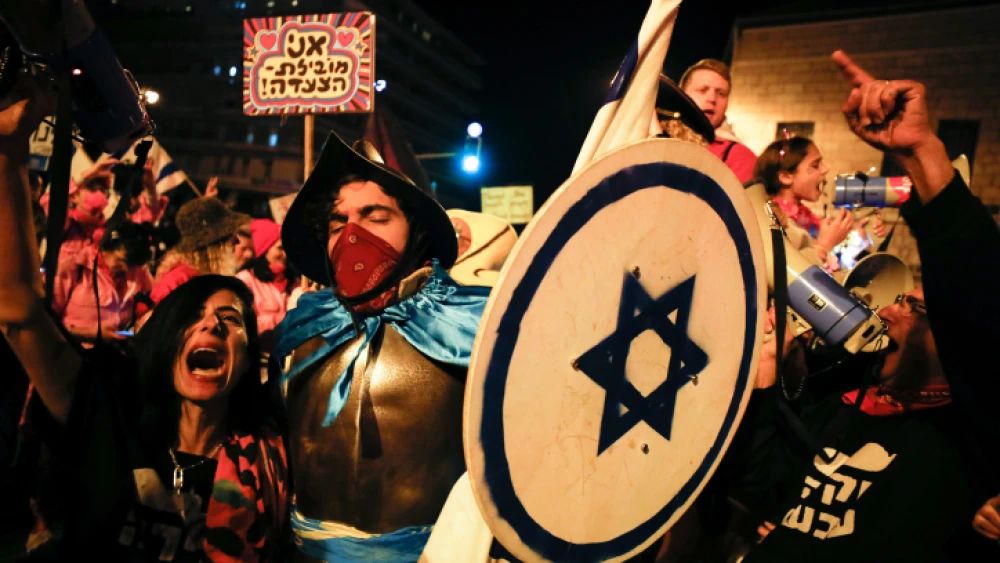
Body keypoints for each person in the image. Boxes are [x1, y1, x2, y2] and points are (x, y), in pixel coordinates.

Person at [727, 51, 1000, 563]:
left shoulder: (962, 440)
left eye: (913, 309)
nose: (888, 312)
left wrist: (922, 151)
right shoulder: (846, 404)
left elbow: (973, 283)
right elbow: (759, 486)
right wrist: (768, 384)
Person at [0, 76, 289, 560]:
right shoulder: (109, 414)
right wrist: (7, 149)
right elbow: (18, 312)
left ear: (248, 359)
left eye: (231, 318)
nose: (212, 325)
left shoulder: (272, 456)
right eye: (193, 316)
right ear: (166, 339)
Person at [272, 132, 490, 561]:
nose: (353, 235)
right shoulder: (301, 328)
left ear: (417, 230)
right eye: (338, 223)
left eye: (375, 216)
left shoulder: (479, 328)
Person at [753, 137, 861, 275]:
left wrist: (859, 238)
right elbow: (787, 273)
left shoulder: (806, 217)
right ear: (786, 176)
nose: (825, 169)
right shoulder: (775, 221)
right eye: (815, 166)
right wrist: (824, 245)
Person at [52, 220, 153, 346]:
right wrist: (90, 335)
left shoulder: (138, 271)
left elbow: (150, 302)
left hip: (111, 353)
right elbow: (45, 322)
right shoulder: (73, 268)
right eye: (121, 260)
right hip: (71, 351)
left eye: (132, 263)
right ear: (105, 248)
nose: (126, 268)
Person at [151, 197, 251, 305]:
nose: (237, 241)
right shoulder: (178, 281)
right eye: (230, 235)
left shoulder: (205, 276)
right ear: (214, 244)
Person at [679, 59, 758, 183]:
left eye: (721, 94)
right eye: (702, 90)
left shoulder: (740, 156)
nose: (712, 99)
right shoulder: (656, 133)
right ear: (682, 94)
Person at [236, 218, 291, 350]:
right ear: (265, 249)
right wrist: (283, 318)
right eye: (280, 248)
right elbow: (243, 324)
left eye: (286, 248)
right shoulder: (245, 280)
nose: (285, 254)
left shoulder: (293, 280)